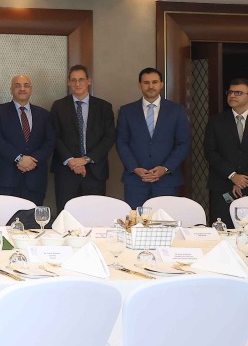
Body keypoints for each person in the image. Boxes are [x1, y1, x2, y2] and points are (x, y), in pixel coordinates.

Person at [115, 67, 190, 209]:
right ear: (140, 85)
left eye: (154, 82)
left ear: (161, 84)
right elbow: (121, 142)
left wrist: (165, 168)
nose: (150, 86)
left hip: (167, 180)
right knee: (136, 224)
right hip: (136, 180)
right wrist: (135, 168)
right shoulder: (127, 111)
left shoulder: (177, 110)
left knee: (166, 223)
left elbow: (183, 143)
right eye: (146, 82)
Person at [50, 64, 116, 207]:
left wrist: (85, 159)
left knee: (94, 217)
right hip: (66, 172)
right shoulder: (58, 106)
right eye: (73, 80)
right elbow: (54, 136)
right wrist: (72, 161)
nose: (77, 84)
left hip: (95, 172)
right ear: (68, 82)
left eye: (81, 79)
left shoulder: (104, 107)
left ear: (89, 81)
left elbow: (109, 137)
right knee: (66, 217)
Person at [0, 74, 56, 206]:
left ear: (31, 89)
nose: (22, 88)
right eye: (17, 85)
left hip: (35, 179)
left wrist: (33, 160)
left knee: (31, 222)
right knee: (3, 220)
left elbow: (50, 142)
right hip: (5, 179)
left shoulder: (44, 114)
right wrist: (19, 158)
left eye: (26, 85)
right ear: (11, 89)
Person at [204, 77, 248, 227]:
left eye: (238, 92)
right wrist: (233, 175)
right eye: (230, 92)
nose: (232, 96)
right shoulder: (216, 121)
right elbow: (210, 152)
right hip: (222, 185)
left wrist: (243, 180)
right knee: (223, 229)